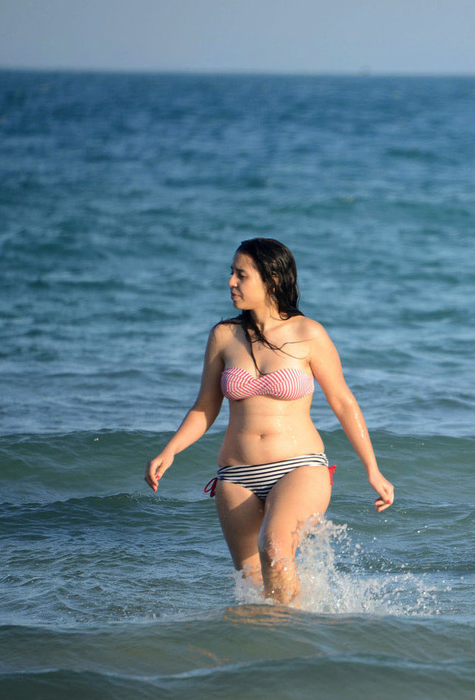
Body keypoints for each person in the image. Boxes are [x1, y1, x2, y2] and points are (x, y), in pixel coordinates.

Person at [145, 238, 394, 604]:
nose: (230, 282)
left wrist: (373, 469)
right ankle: (273, 638)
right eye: (231, 273)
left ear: (272, 280)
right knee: (251, 586)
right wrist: (170, 450)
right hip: (236, 476)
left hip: (299, 467)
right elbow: (205, 407)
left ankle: (293, 633)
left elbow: (343, 402)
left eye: (241, 275)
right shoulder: (223, 336)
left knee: (275, 548)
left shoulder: (308, 333)